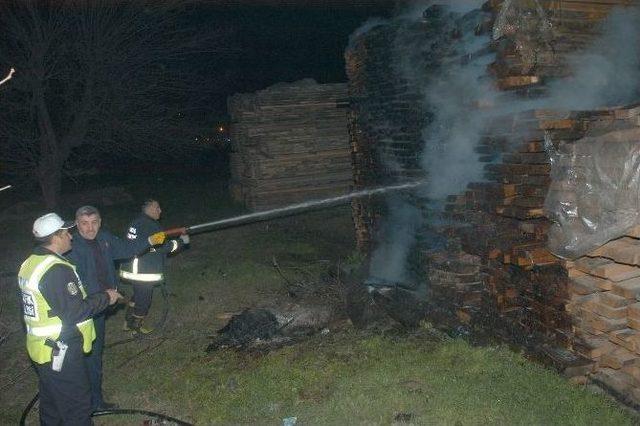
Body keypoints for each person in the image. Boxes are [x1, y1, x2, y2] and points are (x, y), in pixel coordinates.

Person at [18, 212, 121, 425]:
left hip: (43, 350)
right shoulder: (55, 270)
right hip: (61, 350)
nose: (71, 237)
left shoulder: (31, 263)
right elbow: (74, 312)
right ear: (56, 237)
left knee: (53, 406)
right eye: (66, 233)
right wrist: (106, 298)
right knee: (77, 408)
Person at [67, 205, 164, 411]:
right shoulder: (71, 247)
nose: (90, 228)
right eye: (84, 224)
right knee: (84, 357)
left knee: (94, 354)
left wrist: (148, 241)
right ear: (77, 224)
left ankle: (94, 400)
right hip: (83, 310)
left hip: (100, 306)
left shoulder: (104, 238)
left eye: (94, 223)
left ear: (100, 223)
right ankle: (86, 402)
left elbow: (127, 249)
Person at [119, 199, 188, 334]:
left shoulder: (138, 222)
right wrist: (180, 242)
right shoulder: (150, 225)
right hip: (142, 271)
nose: (160, 211)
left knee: (138, 296)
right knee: (143, 301)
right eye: (157, 207)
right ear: (149, 209)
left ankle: (128, 323)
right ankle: (136, 330)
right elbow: (163, 247)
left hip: (133, 269)